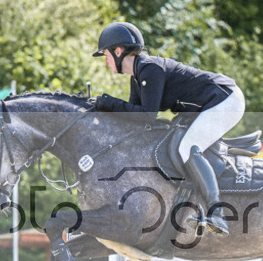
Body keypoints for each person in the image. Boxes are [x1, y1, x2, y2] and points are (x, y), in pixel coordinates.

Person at [92, 21, 245, 236]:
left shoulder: (150, 70)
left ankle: (217, 212)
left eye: (106, 55)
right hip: (207, 106)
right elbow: (136, 120)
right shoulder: (137, 78)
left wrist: (108, 103)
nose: (106, 61)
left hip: (226, 101)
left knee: (188, 148)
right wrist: (100, 113)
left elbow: (146, 115)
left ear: (118, 51)